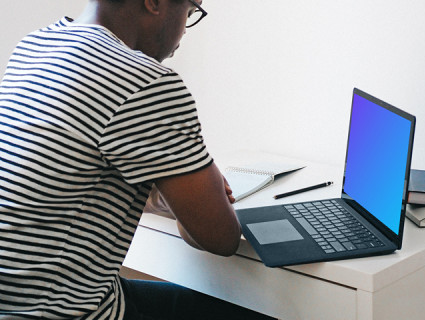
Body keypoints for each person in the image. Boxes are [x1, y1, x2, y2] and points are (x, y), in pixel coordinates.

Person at [0, 0, 274, 319]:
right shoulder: (144, 80)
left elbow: (60, 178)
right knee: (263, 310)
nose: (184, 32)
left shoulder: (36, 45)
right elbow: (221, 237)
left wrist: (167, 188)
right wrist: (200, 176)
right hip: (62, 312)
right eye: (189, 11)